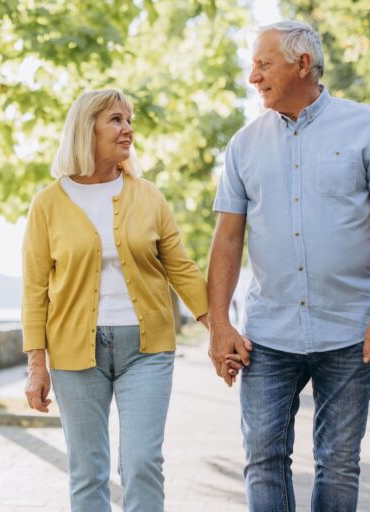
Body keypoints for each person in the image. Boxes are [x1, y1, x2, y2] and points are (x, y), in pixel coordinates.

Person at [207, 21, 370, 512]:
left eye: (263, 64)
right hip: (268, 334)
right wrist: (219, 323)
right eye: (253, 65)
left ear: (303, 64)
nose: (252, 77)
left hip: (350, 330)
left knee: (339, 461)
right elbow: (228, 239)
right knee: (263, 458)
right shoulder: (243, 145)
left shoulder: (369, 126)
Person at [22, 88, 243, 512]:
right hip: (73, 354)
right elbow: (34, 289)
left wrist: (218, 328)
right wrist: (36, 364)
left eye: (129, 120)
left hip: (146, 349)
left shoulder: (148, 196)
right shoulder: (47, 205)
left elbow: (181, 268)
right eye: (116, 120)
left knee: (142, 462)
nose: (128, 129)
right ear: (86, 129)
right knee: (87, 469)